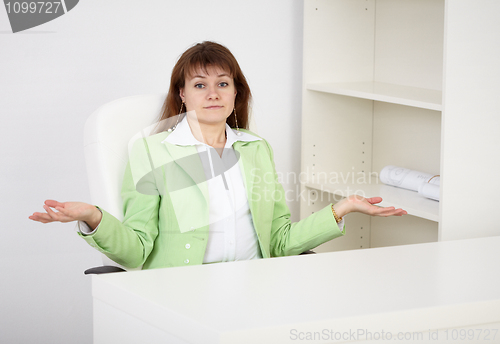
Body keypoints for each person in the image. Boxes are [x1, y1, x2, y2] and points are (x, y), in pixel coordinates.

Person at [29, 41, 407, 269]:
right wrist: (93, 217)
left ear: (234, 93)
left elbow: (278, 241)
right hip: (184, 291)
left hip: (255, 285)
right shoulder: (151, 151)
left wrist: (342, 208)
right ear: (181, 94)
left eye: (223, 83)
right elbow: (137, 251)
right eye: (200, 84)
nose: (213, 93)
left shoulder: (256, 149)